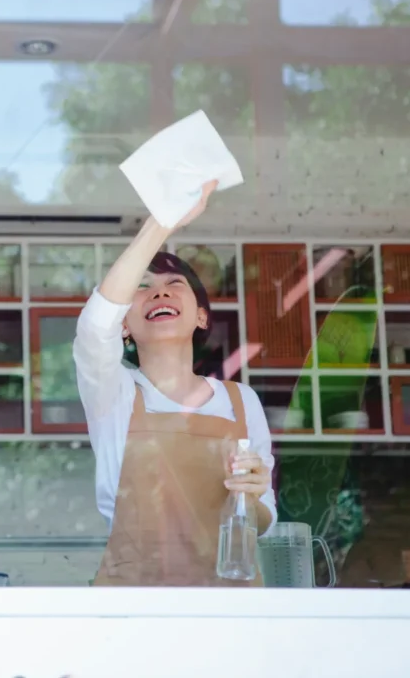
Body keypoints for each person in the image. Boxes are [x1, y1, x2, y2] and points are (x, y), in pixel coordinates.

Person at [75, 181, 277, 587]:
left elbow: (265, 524)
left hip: (229, 605)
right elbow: (96, 327)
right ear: (125, 327)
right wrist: (160, 224)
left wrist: (253, 493)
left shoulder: (242, 402)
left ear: (201, 316)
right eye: (142, 288)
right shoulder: (112, 394)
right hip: (134, 606)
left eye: (174, 284)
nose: (159, 291)